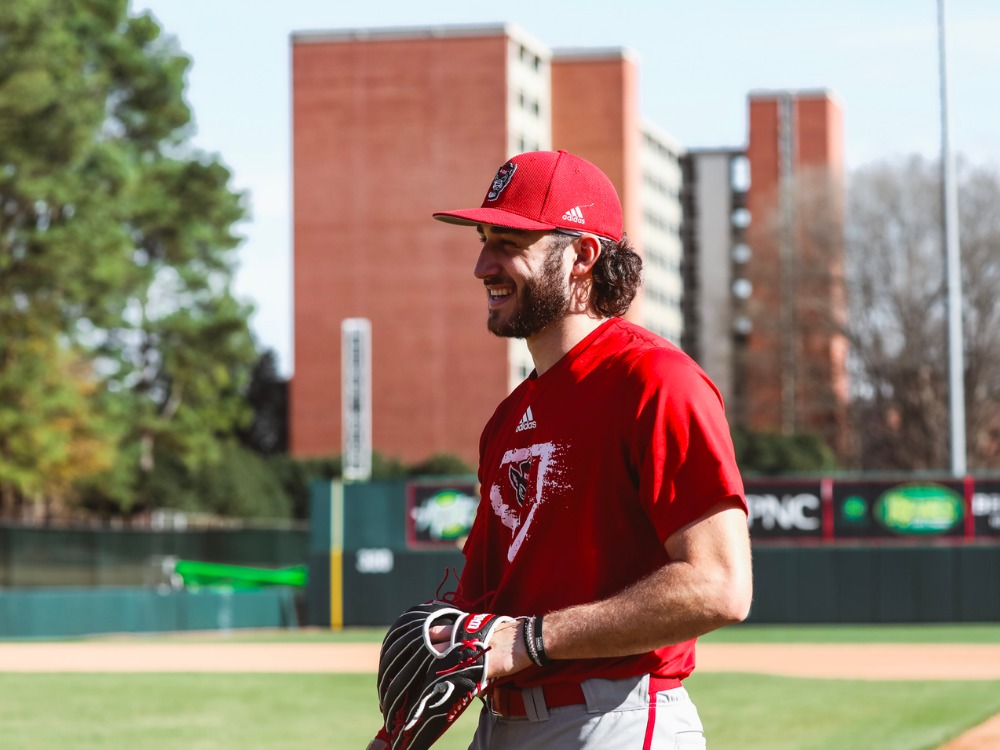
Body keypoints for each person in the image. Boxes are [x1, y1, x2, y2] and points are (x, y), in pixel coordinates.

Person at [389, 149, 753, 749]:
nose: (483, 265)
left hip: (612, 718)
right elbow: (480, 609)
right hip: (500, 726)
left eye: (509, 242)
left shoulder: (657, 383)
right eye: (483, 240)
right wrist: (398, 732)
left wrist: (531, 640)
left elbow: (719, 584)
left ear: (582, 255)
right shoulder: (507, 419)